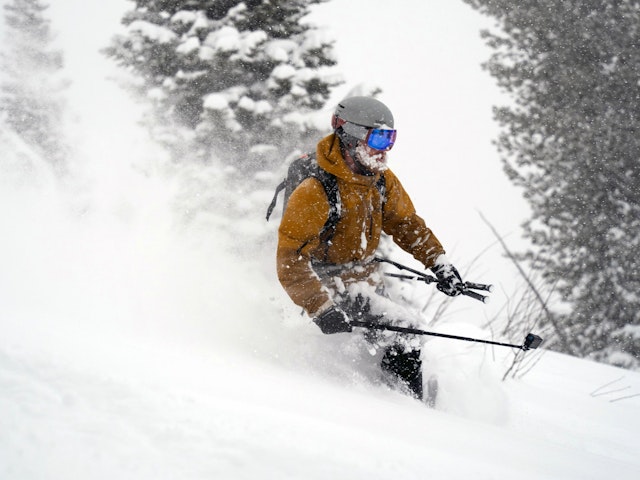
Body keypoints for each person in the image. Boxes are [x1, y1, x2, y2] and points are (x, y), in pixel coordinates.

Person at [276, 96, 465, 401]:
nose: (384, 149)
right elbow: (290, 259)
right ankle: (402, 407)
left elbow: (406, 224)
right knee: (404, 330)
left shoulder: (381, 181)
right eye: (378, 137)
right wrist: (320, 307)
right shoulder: (315, 189)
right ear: (349, 134)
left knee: (401, 334)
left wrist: (439, 263)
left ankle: (395, 395)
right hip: (328, 286)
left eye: (391, 138)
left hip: (365, 282)